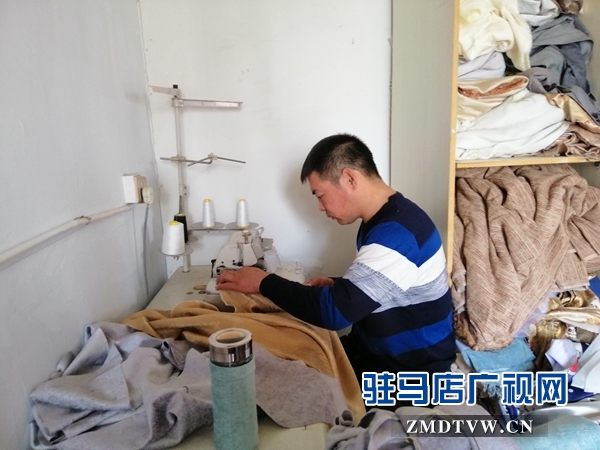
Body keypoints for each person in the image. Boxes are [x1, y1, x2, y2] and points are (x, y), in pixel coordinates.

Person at [216, 133, 456, 389]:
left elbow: (336, 314)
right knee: (288, 358)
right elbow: (389, 283)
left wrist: (263, 283)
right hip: (374, 354)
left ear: (349, 178)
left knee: (283, 382)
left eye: (320, 195)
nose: (320, 207)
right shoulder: (386, 219)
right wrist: (341, 285)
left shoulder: (397, 234)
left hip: (413, 374)